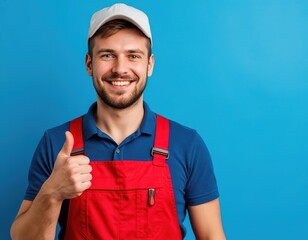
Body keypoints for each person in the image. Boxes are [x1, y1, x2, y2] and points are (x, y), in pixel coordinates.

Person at [11, 3, 226, 240]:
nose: (120, 69)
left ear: (150, 64)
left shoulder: (187, 145)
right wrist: (51, 193)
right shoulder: (57, 144)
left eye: (133, 56)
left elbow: (212, 236)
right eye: (107, 55)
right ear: (89, 64)